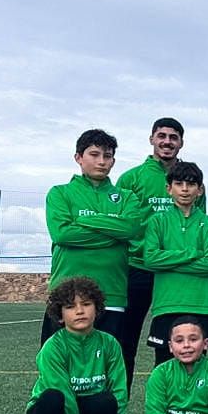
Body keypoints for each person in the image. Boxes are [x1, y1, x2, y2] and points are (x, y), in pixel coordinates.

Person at [18, 276, 131, 414]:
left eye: (86, 304)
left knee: (105, 400)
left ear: (97, 309)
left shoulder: (109, 343)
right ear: (60, 315)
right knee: (51, 398)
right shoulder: (53, 347)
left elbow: (119, 391)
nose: (80, 311)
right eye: (70, 307)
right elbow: (65, 396)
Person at [42, 128, 146, 344]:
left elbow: (131, 230)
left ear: (113, 161)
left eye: (107, 156)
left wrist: (84, 220)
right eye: (94, 154)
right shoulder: (60, 193)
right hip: (67, 297)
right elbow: (62, 234)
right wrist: (113, 233)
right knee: (60, 366)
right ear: (78, 158)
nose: (101, 161)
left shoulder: (127, 197)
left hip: (112, 295)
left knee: (109, 366)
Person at [116, 118, 194, 387]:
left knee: (173, 344)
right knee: (124, 342)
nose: (167, 141)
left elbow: (196, 225)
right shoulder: (131, 178)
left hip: (175, 273)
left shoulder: (191, 179)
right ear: (151, 139)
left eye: (173, 137)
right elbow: (121, 222)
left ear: (181, 142)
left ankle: (176, 410)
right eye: (162, 136)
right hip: (138, 267)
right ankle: (119, 412)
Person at [141, 160, 208, 367]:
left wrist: (169, 262)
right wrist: (192, 253)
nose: (185, 189)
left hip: (200, 305)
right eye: (179, 183)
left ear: (199, 190)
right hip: (166, 305)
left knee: (198, 367)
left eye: (191, 184)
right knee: (164, 365)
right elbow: (151, 259)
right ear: (169, 188)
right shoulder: (157, 221)